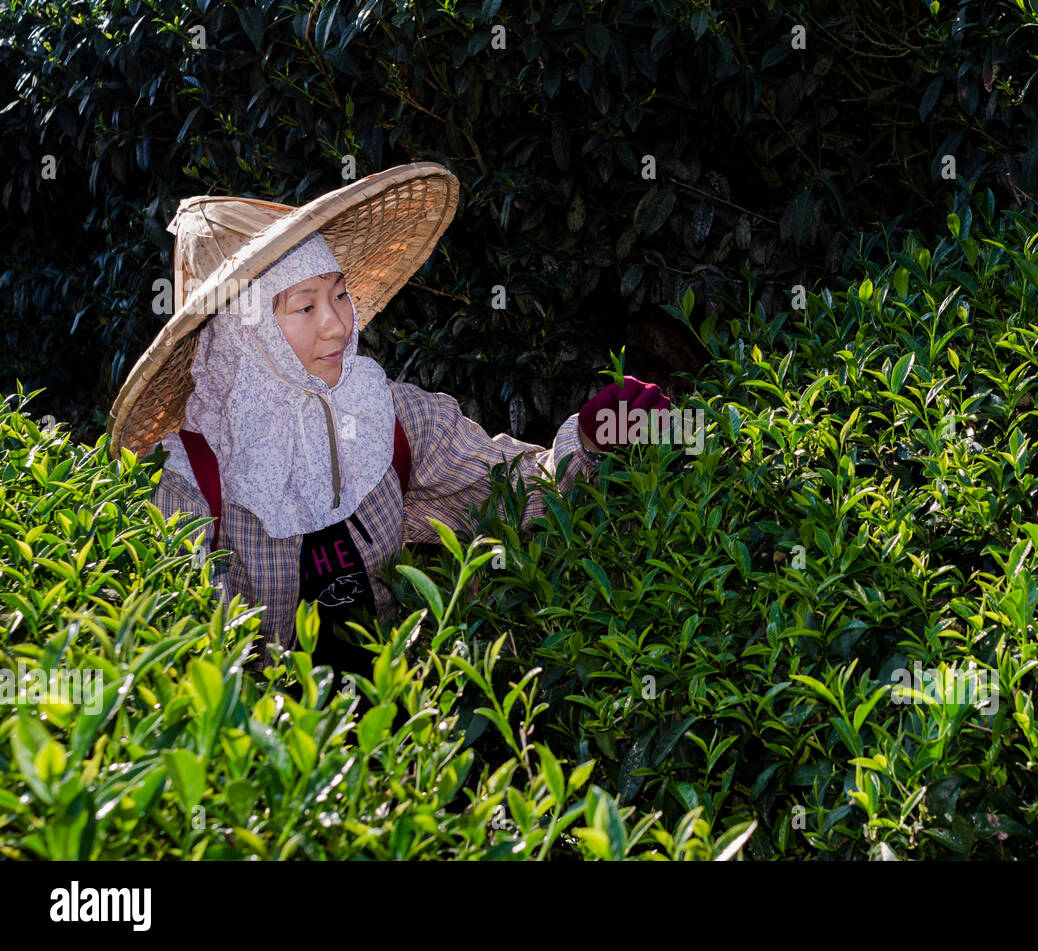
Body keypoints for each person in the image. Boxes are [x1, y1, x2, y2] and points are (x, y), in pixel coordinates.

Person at [106, 163, 671, 686]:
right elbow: (196, 668)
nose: (336, 325)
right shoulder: (190, 480)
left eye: (340, 295)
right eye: (304, 307)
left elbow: (512, 494)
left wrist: (592, 437)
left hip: (406, 739)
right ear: (243, 334)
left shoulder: (385, 419)